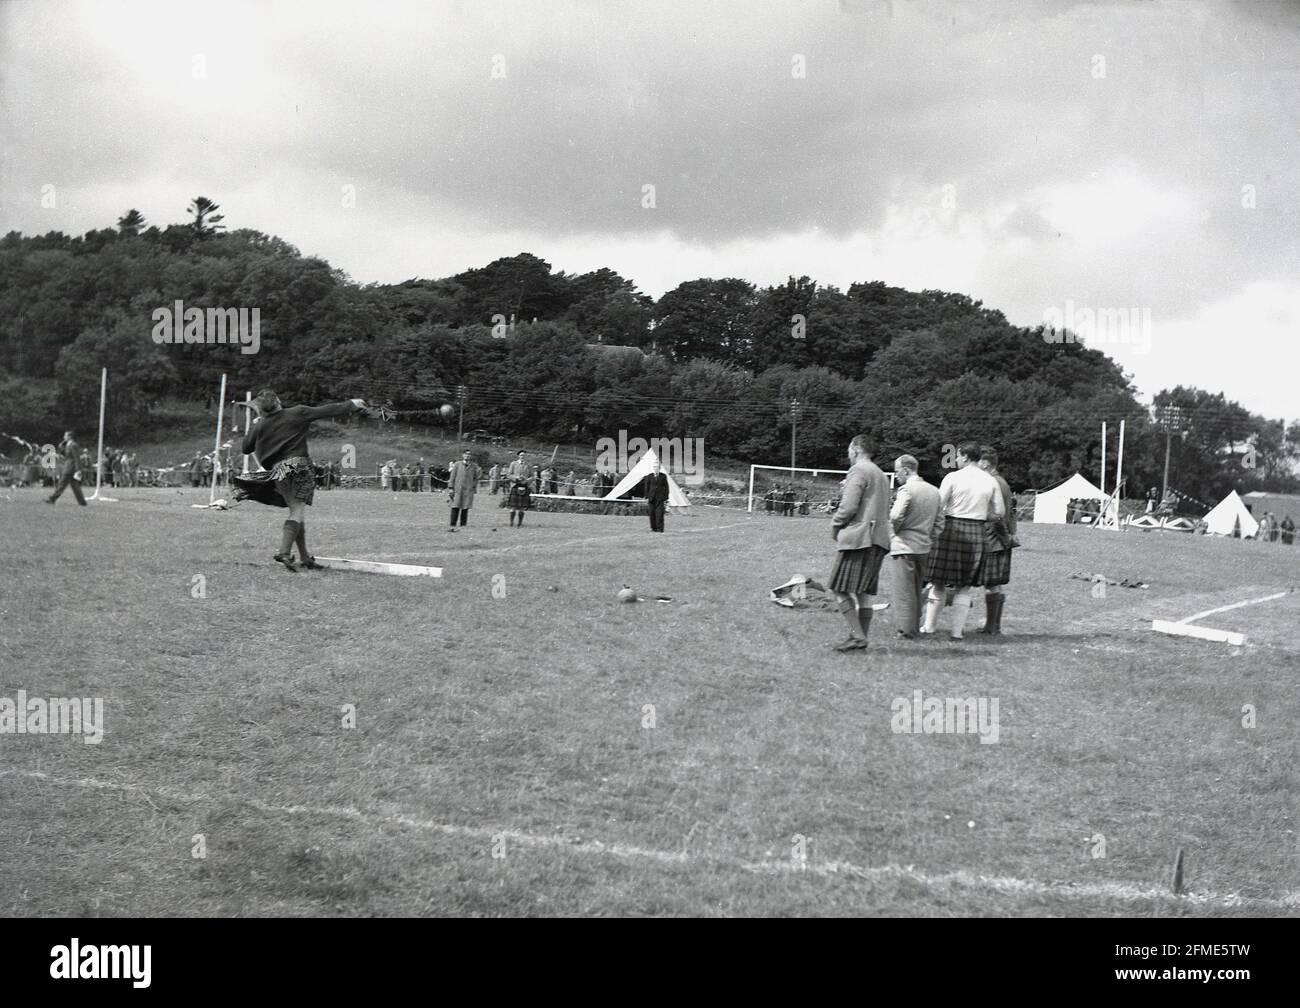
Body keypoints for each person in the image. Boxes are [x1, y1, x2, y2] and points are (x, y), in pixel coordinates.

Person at [233, 389, 367, 571]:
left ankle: (305, 558)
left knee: (297, 513)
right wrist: (352, 403)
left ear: (261, 409)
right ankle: (284, 552)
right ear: (278, 401)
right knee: (297, 512)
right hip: (299, 467)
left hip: (279, 472)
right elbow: (328, 410)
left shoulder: (260, 425)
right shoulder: (297, 412)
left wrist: (256, 425)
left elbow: (246, 448)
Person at [922, 442, 1004, 640]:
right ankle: (957, 633)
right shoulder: (990, 480)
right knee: (964, 587)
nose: (956, 460)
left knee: (938, 583)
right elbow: (1000, 512)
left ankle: (929, 628)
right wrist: (982, 516)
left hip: (951, 529)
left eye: (957, 456)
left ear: (965, 457)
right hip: (977, 531)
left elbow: (938, 505)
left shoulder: (952, 477)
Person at [827, 435, 892, 652]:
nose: (848, 454)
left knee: (839, 589)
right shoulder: (881, 474)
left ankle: (858, 637)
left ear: (855, 449)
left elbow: (848, 507)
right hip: (879, 539)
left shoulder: (859, 470)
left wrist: (836, 525)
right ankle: (860, 638)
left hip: (861, 538)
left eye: (848, 449)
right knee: (863, 594)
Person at [888, 455, 940, 639]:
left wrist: (896, 532)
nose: (896, 475)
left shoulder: (906, 490)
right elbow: (940, 522)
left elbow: (895, 516)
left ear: (905, 470)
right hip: (924, 547)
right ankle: (914, 626)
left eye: (897, 471)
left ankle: (906, 630)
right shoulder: (934, 491)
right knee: (917, 589)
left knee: (903, 590)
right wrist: (929, 537)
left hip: (904, 546)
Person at [976, 446, 1017, 635]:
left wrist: (1005, 538)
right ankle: (993, 626)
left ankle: (992, 627)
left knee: (992, 583)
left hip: (994, 539)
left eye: (978, 461)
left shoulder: (995, 483)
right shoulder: (999, 481)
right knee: (993, 583)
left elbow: (998, 516)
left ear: (985, 463)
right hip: (999, 538)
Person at [46, 430, 87, 506]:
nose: (64, 437)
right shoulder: (68, 445)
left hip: (70, 468)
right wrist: (57, 454)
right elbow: (67, 457)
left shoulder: (73, 445)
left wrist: (78, 470)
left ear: (70, 437)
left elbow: (76, 458)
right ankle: (82, 502)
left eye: (65, 436)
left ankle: (52, 499)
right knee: (75, 487)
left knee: (61, 484)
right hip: (68, 467)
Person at [447, 449, 480, 531]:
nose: (467, 456)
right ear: (463, 455)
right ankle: (453, 524)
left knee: (465, 507)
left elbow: (476, 478)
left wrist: (473, 486)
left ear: (470, 456)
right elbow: (452, 477)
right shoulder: (457, 464)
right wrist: (451, 488)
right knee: (455, 506)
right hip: (457, 489)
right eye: (466, 454)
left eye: (469, 454)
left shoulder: (473, 466)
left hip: (468, 490)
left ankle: (463, 524)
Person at [645, 458, 670, 533]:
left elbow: (666, 487)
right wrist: (646, 496)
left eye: (657, 467)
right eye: (654, 467)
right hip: (651, 498)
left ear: (659, 468)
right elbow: (647, 487)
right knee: (651, 513)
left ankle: (660, 529)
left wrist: (666, 497)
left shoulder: (663, 476)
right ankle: (653, 528)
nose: (656, 469)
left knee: (659, 514)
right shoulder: (649, 476)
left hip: (660, 498)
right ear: (653, 468)